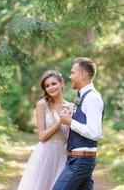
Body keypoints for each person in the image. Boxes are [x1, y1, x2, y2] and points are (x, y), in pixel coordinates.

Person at [52, 57, 104, 190]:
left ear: (83, 75)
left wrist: (70, 122)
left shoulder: (92, 98)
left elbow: (95, 133)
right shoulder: (84, 98)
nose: (70, 77)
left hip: (81, 161)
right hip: (79, 160)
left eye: (72, 73)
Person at [17, 70, 73, 190]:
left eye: (53, 84)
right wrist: (60, 122)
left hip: (63, 155)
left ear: (61, 83)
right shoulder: (42, 105)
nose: (51, 88)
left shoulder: (70, 107)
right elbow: (42, 137)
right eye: (47, 86)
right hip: (46, 153)